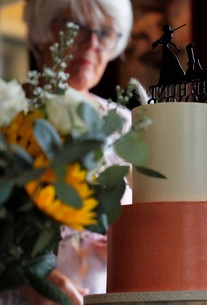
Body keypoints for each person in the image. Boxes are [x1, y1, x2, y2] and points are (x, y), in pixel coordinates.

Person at [0, 0, 133, 304]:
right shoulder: (7, 110)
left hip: (102, 293)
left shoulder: (123, 125)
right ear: (42, 31)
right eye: (76, 29)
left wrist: (127, 240)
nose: (91, 45)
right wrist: (28, 277)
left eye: (105, 32)